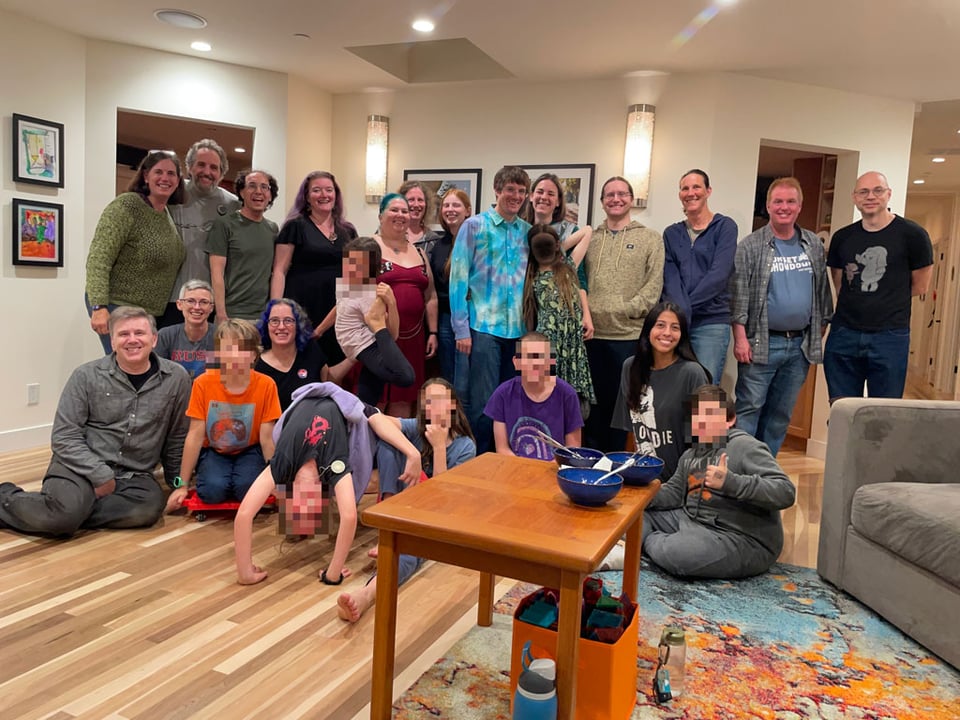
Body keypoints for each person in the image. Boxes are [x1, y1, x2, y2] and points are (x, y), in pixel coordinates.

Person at [0, 307, 190, 537]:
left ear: (154, 338)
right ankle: (8, 498)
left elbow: (177, 438)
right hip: (79, 466)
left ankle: (65, 510)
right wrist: (101, 475)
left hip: (134, 475)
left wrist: (180, 484)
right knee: (61, 519)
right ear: (112, 341)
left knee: (147, 511)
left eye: (139, 333)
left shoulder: (177, 378)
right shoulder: (86, 375)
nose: (132, 340)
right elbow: (64, 437)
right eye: (123, 334)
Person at [233, 382, 424, 587]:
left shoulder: (333, 462)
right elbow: (243, 515)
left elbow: (350, 516)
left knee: (374, 418)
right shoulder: (283, 462)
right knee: (301, 527)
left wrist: (413, 453)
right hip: (309, 411)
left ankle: (420, 443)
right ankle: (303, 522)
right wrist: (244, 572)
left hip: (350, 408)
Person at [337, 378, 477, 623]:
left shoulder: (465, 447)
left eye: (440, 402)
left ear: (453, 405)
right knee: (389, 444)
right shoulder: (417, 427)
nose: (433, 409)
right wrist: (411, 452)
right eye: (428, 403)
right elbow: (377, 420)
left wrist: (439, 448)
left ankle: (366, 594)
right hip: (406, 507)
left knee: (408, 551)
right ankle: (387, 522)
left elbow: (444, 499)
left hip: (437, 516)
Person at [642, 385, 796, 579]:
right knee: (636, 518)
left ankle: (649, 543)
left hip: (740, 537)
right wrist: (642, 492)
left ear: (729, 420)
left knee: (678, 555)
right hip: (691, 522)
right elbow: (673, 493)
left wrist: (731, 483)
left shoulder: (745, 446)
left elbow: (786, 492)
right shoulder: (690, 454)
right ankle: (654, 544)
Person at [730, 177, 833, 457]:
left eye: (790, 201)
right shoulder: (751, 245)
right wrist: (740, 339)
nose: (784, 207)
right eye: (778, 201)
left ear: (799, 206)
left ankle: (766, 474)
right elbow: (738, 296)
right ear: (768, 205)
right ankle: (741, 470)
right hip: (761, 343)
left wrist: (819, 329)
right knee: (749, 410)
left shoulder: (811, 243)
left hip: (799, 347)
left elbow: (822, 291)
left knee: (779, 415)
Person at [824, 171, 934, 401]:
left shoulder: (913, 235)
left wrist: (885, 298)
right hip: (844, 334)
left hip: (890, 336)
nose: (870, 196)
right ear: (855, 198)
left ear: (888, 194)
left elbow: (920, 286)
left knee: (885, 413)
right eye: (863, 191)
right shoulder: (842, 238)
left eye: (877, 190)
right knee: (842, 409)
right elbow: (840, 283)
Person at [450, 166, 532, 452]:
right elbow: (458, 279)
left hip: (518, 331)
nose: (516, 196)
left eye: (522, 192)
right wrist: (461, 329)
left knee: (512, 400)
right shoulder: (474, 226)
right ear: (497, 190)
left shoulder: (527, 232)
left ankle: (505, 459)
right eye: (511, 189)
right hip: (483, 327)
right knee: (483, 402)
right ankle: (479, 460)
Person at [582, 176, 664, 451]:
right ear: (602, 201)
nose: (615, 199)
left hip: (628, 336)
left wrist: (624, 309)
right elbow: (575, 277)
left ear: (631, 199)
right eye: (609, 195)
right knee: (593, 406)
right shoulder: (591, 238)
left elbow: (653, 287)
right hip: (591, 337)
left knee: (622, 407)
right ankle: (591, 461)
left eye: (621, 194)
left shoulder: (650, 238)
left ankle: (616, 462)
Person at [165, 319, 281, 508]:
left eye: (241, 350)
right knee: (212, 492)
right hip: (214, 451)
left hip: (250, 450)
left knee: (247, 490)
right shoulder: (203, 383)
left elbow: (267, 439)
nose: (234, 356)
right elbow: (194, 436)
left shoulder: (267, 385)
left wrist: (277, 482)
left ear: (253, 355)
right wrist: (182, 485)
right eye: (228, 349)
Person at [85, 150, 186, 354]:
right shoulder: (126, 206)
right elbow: (99, 259)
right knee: (126, 368)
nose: (165, 178)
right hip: (118, 306)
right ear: (146, 176)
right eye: (159, 172)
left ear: (178, 181)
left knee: (141, 369)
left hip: (149, 313)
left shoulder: (165, 213)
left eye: (171, 173)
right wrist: (98, 307)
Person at [611, 301, 709, 481]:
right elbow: (630, 432)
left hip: (679, 482)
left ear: (682, 335)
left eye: (675, 328)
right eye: (660, 325)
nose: (667, 333)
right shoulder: (630, 367)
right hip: (642, 478)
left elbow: (709, 441)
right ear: (648, 330)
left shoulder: (693, 373)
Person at [271, 171, 358, 363]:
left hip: (337, 309)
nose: (324, 195)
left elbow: (359, 280)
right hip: (304, 305)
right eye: (316, 190)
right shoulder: (294, 226)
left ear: (336, 195)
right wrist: (275, 310)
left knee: (336, 364)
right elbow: (279, 270)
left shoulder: (349, 230)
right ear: (307, 197)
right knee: (303, 363)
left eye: (329, 190)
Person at [661, 169, 738, 384]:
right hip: (675, 324)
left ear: (708, 191)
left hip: (711, 323)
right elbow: (671, 278)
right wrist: (678, 316)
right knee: (673, 386)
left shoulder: (725, 227)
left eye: (696, 187)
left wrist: (684, 308)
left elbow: (718, 276)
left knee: (705, 390)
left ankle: (707, 421)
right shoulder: (671, 233)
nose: (690, 193)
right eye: (685, 188)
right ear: (680, 194)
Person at [160, 139, 239, 327]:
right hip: (171, 299)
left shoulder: (232, 204)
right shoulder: (171, 195)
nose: (207, 172)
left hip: (212, 302)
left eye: (214, 167)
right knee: (169, 354)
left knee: (213, 355)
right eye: (201, 165)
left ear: (221, 173)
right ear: (189, 167)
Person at [375, 193, 439, 417]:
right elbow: (349, 297)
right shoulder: (363, 246)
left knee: (405, 399)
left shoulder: (420, 252)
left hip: (414, 337)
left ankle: (398, 451)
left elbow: (430, 295)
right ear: (381, 214)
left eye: (404, 211)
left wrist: (433, 332)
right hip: (377, 338)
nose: (400, 215)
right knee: (376, 400)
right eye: (394, 210)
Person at [522, 224, 595, 414]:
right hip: (548, 345)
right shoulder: (530, 274)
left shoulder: (568, 267)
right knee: (547, 398)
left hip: (572, 345)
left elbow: (587, 231)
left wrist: (559, 246)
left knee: (575, 406)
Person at [335, 236, 415, 405]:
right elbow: (338, 309)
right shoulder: (348, 285)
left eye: (358, 264)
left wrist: (391, 303)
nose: (351, 268)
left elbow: (392, 335)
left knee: (369, 397)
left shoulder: (368, 293)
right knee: (405, 376)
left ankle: (364, 425)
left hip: (366, 343)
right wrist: (319, 330)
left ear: (371, 267)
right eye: (349, 262)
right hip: (359, 346)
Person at [485, 332, 583, 459]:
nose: (535, 364)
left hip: (553, 470)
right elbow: (502, 449)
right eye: (528, 357)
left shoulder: (567, 394)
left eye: (540, 357)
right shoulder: (502, 394)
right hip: (515, 468)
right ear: (517, 362)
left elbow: (572, 450)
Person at [254, 298, 353, 410]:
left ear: (298, 325)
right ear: (266, 326)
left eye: (288, 321)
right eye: (274, 321)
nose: (281, 327)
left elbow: (328, 379)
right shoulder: (257, 365)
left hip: (314, 422)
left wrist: (352, 358)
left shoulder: (311, 349)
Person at [208, 169, 280, 322]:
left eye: (264, 187)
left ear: (270, 195)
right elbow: (217, 273)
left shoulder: (273, 229)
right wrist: (221, 313)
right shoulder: (225, 224)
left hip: (263, 317)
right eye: (252, 186)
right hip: (232, 315)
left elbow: (275, 274)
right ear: (241, 192)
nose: (258, 192)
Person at [428, 188, 472, 398]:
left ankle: (465, 426)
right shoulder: (439, 245)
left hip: (470, 319)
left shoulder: (477, 241)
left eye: (456, 205)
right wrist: (433, 331)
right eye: (446, 205)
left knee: (465, 380)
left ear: (468, 211)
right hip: (445, 319)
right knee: (448, 378)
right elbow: (433, 290)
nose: (450, 209)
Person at [156, 279, 216, 380]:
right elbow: (157, 375)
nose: (197, 307)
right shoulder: (165, 335)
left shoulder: (224, 336)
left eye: (204, 302)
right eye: (190, 301)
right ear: (179, 304)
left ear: (211, 308)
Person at [399, 179, 442, 254]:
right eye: (411, 200)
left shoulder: (434, 241)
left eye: (420, 200)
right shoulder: (390, 235)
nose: (416, 204)